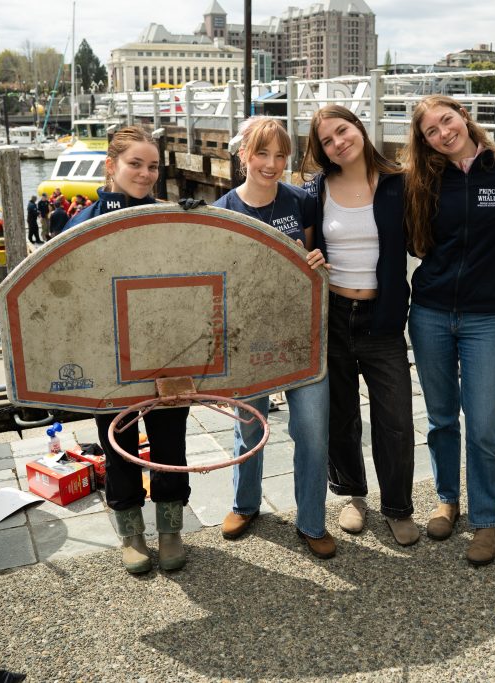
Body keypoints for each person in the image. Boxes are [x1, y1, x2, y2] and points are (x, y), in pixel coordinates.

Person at [65, 125, 192, 575]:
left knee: (170, 439)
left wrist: (195, 225)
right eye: (135, 163)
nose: (145, 173)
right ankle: (132, 533)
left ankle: (171, 529)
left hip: (167, 350)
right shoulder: (82, 223)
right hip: (110, 355)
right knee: (116, 442)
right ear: (111, 166)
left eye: (153, 165)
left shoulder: (170, 215)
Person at [213, 116, 336, 560]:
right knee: (249, 429)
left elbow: (311, 262)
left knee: (311, 430)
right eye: (262, 153)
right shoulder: (224, 209)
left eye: (280, 155)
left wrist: (317, 260)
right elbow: (218, 283)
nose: (271, 163)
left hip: (301, 337)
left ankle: (311, 521)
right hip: (249, 341)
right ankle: (245, 504)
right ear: (243, 154)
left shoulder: (301, 202)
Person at [402, 95, 495, 566]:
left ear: (463, 116)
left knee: (485, 424)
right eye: (431, 130)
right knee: (442, 418)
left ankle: (485, 519)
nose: (443, 133)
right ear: (424, 140)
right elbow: (408, 238)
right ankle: (447, 499)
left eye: (446, 120)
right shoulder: (423, 180)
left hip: (484, 317)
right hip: (429, 311)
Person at [301, 105, 417, 546]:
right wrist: (311, 260)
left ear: (359, 128)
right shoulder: (317, 189)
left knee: (396, 418)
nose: (337, 143)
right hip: (334, 316)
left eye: (342, 131)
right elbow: (305, 252)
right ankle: (353, 495)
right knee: (341, 415)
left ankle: (398, 506)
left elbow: (424, 237)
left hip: (382, 319)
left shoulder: (397, 183)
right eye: (327, 140)